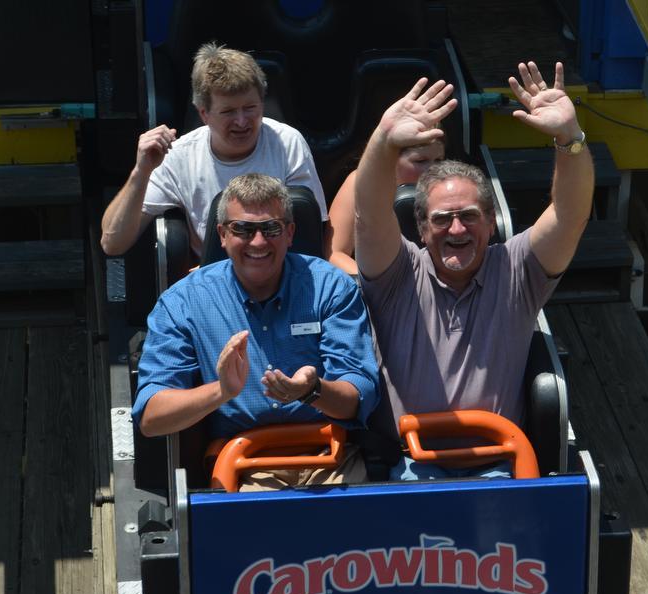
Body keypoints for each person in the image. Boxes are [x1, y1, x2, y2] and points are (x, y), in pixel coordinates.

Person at [352, 61, 593, 480]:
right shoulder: (398, 272)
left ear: (490, 220)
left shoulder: (516, 268)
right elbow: (369, 214)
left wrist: (568, 137)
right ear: (422, 228)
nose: (457, 229)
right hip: (409, 469)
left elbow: (570, 215)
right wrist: (384, 140)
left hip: (500, 466)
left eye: (469, 216)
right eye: (443, 219)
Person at [132, 173, 378, 490]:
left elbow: (359, 395)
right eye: (243, 230)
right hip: (239, 464)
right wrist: (221, 391)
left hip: (332, 457)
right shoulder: (183, 301)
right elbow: (152, 417)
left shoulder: (330, 286)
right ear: (222, 234)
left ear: (290, 233)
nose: (258, 242)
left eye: (271, 228)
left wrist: (312, 391)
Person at [100, 42, 327, 258]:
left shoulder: (287, 142)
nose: (241, 121)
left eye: (250, 108)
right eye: (228, 112)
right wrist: (142, 171)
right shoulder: (179, 156)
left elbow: (310, 231)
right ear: (204, 114)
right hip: (215, 281)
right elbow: (112, 243)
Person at [324, 135, 445, 275]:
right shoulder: (361, 184)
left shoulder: (449, 191)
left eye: (438, 161)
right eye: (420, 161)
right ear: (390, 159)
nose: (432, 170)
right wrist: (378, 285)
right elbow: (334, 254)